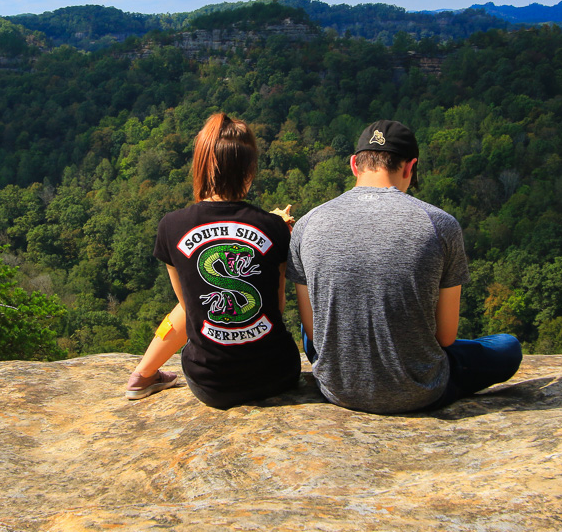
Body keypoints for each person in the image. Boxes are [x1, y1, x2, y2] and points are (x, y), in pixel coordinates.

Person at [287, 119, 522, 414]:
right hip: (418, 391)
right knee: (507, 347)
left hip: (338, 388)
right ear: (410, 167)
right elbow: (445, 337)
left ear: (354, 165)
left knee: (311, 318)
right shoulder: (441, 224)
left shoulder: (307, 224)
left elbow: (313, 332)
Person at [125, 113, 300, 408]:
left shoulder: (171, 226)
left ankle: (143, 374)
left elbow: (190, 307)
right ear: (250, 171)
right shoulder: (274, 228)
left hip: (210, 384)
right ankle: (143, 374)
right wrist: (278, 235)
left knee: (192, 299)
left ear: (201, 168)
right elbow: (277, 306)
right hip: (276, 374)